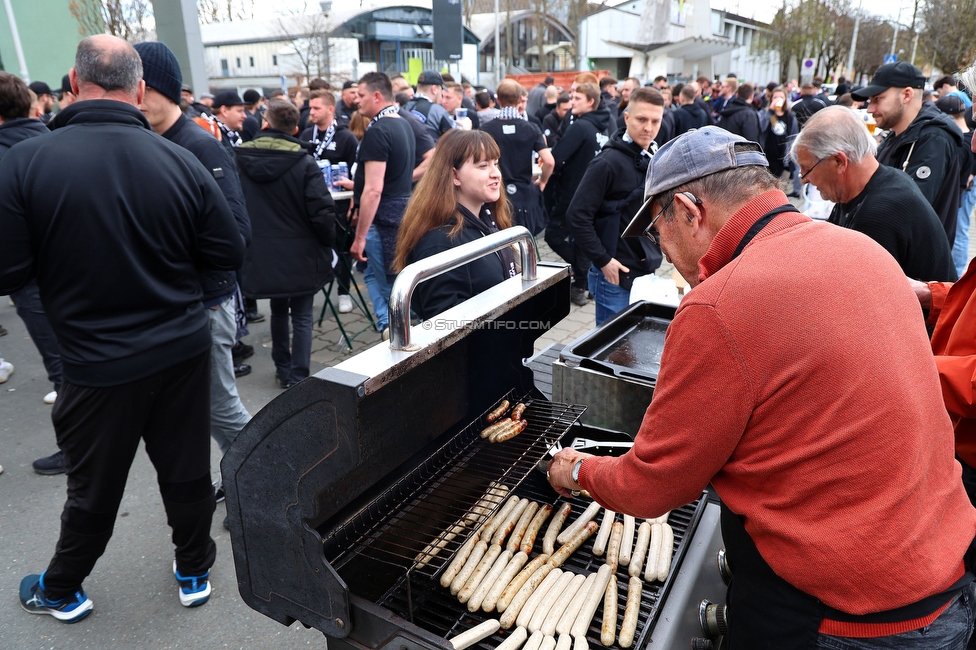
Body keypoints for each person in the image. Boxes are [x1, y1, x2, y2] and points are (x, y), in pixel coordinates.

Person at [547, 125, 976, 647]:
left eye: (659, 230)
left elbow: (654, 487)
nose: (663, 251)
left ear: (689, 209)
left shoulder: (720, 304)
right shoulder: (863, 249)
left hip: (843, 617)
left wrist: (577, 469)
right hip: (943, 581)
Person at [0, 34, 245, 621]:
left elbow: (9, 270)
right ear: (139, 90)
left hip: (96, 361)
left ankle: (61, 588)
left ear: (72, 82)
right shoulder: (180, 158)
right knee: (185, 469)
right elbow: (228, 251)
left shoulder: (25, 162)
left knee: (95, 485)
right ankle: (195, 568)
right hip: (180, 347)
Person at [134, 41, 254, 507]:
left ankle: (259, 487)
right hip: (170, 305)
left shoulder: (200, 145)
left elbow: (237, 237)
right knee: (194, 412)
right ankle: (242, 481)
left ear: (160, 89)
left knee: (221, 408)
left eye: (140, 88)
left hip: (203, 303)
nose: (132, 97)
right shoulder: (149, 141)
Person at [235, 99, 336, 389]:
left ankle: (283, 369)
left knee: (278, 310)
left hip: (262, 251)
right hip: (301, 251)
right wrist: (326, 244)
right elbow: (322, 211)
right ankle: (298, 376)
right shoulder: (304, 162)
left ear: (265, 123)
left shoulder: (239, 159)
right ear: (295, 129)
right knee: (302, 315)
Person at [793, 106, 956, 282]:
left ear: (839, 161)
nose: (804, 180)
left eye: (807, 169)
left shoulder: (880, 212)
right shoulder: (877, 182)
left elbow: (856, 296)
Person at [393, 130, 516, 320]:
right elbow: (446, 326)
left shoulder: (488, 219)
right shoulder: (439, 242)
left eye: (496, 163)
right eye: (483, 166)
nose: (496, 174)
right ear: (454, 175)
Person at [0, 72, 64, 429]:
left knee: (62, 372)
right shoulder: (61, 140)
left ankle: (76, 456)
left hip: (33, 283)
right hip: (79, 270)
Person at [569, 87, 665, 324]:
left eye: (655, 121)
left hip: (645, 272)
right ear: (627, 118)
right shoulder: (606, 162)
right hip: (614, 276)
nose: (648, 128)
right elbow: (577, 216)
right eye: (642, 119)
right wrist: (603, 261)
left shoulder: (654, 156)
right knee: (610, 355)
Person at [855, 62, 964, 247]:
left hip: (915, 266)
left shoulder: (933, 138)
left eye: (878, 99)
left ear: (907, 95)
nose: (870, 109)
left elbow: (908, 208)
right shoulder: (896, 135)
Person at [350, 72, 416, 336]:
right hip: (402, 213)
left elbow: (374, 190)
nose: (356, 100)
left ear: (377, 96)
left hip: (384, 219)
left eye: (361, 95)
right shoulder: (403, 124)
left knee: (391, 286)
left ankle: (396, 335)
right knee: (379, 277)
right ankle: (388, 327)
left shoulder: (379, 130)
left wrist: (359, 237)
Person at [548, 82, 612, 306]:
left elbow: (556, 156)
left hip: (574, 193)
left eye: (577, 99)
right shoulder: (607, 123)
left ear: (591, 102)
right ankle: (584, 280)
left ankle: (583, 275)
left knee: (552, 236)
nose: (571, 102)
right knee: (585, 240)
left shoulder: (581, 126)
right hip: (596, 192)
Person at [300, 88, 359, 313]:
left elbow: (356, 172)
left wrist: (354, 202)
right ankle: (309, 292)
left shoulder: (345, 137)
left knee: (342, 249)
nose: (311, 112)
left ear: (330, 109)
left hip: (340, 205)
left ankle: (343, 292)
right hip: (311, 205)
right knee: (310, 248)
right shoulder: (306, 135)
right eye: (310, 107)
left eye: (316, 108)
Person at [481, 79, 554, 236]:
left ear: (498, 100)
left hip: (496, 192)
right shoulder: (532, 128)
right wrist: (542, 182)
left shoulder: (486, 130)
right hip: (524, 196)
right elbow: (549, 161)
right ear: (520, 99)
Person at [935, 94, 976, 277]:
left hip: (959, 196)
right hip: (964, 191)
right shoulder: (967, 141)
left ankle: (957, 275)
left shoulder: (959, 146)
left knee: (959, 235)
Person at [761, 86, 799, 184]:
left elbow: (793, 137)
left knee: (780, 187)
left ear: (785, 99)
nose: (778, 99)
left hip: (783, 158)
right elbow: (761, 128)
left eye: (781, 97)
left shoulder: (790, 116)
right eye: (775, 97)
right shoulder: (765, 113)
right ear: (771, 99)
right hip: (767, 156)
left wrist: (791, 158)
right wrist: (770, 111)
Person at [405, 70, 456, 141]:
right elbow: (456, 139)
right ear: (434, 89)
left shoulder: (403, 107)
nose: (442, 94)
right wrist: (466, 128)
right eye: (441, 89)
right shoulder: (437, 111)